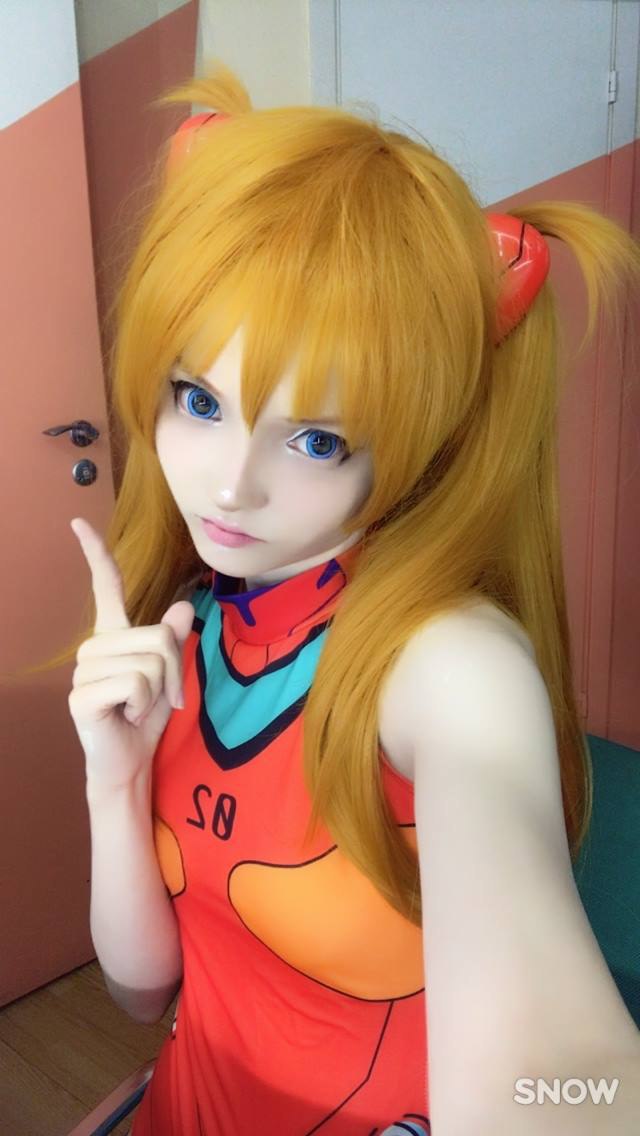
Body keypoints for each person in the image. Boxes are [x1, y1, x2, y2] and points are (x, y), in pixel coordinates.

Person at [29, 59, 640, 1134]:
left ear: (413, 446)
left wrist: (570, 1098)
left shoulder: (446, 661)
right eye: (198, 398)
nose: (230, 484)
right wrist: (112, 779)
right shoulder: (193, 621)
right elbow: (144, 992)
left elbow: (566, 1077)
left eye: (316, 438)